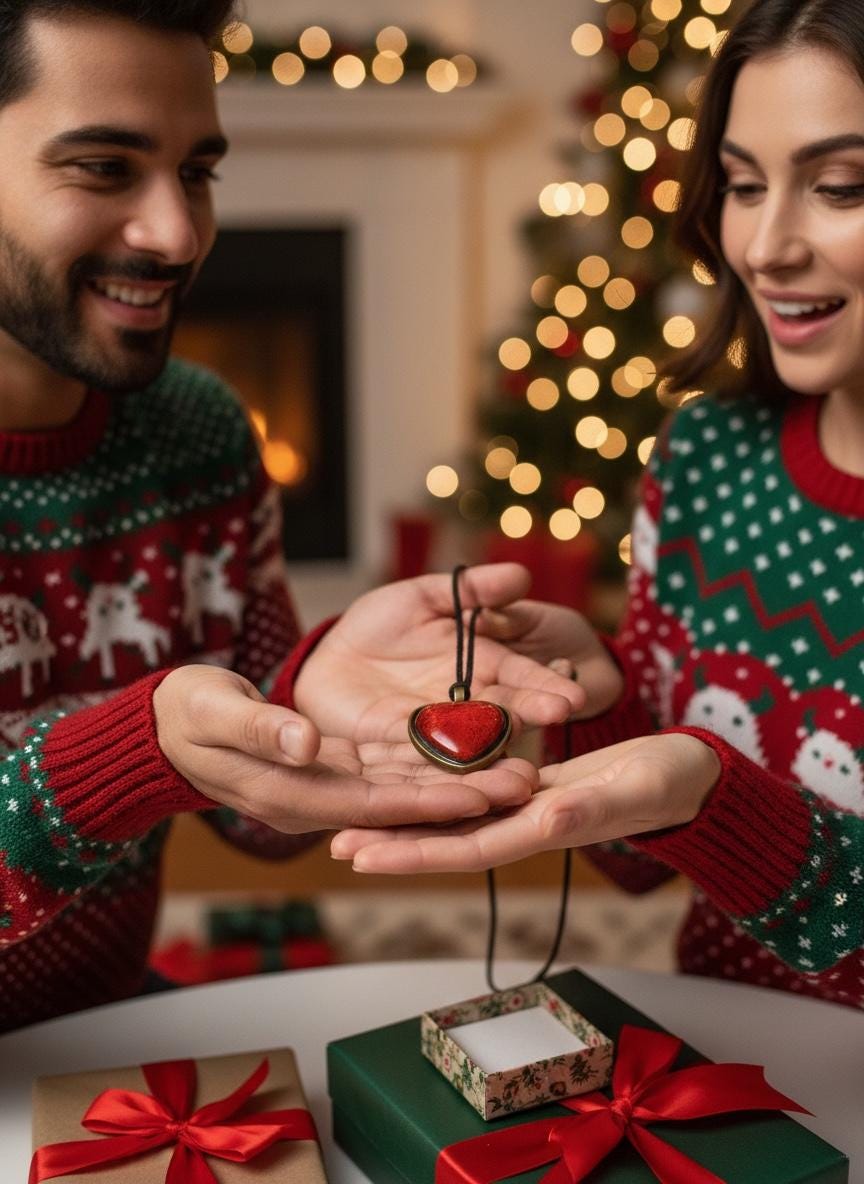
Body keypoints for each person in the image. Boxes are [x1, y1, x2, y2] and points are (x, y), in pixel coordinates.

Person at [0, 0, 588, 1031]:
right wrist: (129, 753)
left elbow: (257, 813)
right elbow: (152, 749)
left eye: (197, 171)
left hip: (102, 1027)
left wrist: (324, 696)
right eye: (103, 167)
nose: (178, 234)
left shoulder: (202, 430)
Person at [335, 0, 864, 1010]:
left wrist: (712, 793)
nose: (766, 246)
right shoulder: (705, 457)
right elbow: (640, 859)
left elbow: (703, 796)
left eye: (842, 186)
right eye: (745, 186)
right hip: (734, 1079)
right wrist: (581, 705)